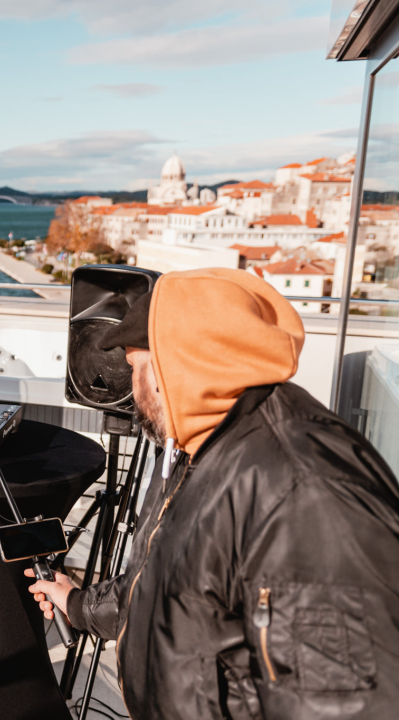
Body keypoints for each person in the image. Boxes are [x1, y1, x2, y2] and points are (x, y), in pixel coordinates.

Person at [28, 268, 399, 718]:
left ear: (173, 366)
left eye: (135, 367)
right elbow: (162, 585)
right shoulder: (199, 445)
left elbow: (346, 702)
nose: (131, 389)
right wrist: (78, 605)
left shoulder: (305, 490)